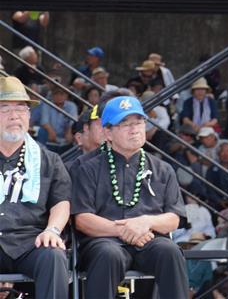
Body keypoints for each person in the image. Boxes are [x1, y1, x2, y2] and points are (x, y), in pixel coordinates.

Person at [72, 96, 190, 299]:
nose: (134, 129)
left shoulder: (162, 168)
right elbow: (82, 220)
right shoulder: (87, 168)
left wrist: (145, 222)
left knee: (170, 251)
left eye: (138, 122)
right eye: (124, 124)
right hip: (104, 240)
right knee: (108, 254)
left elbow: (174, 218)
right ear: (107, 132)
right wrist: (125, 229)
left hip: (150, 239)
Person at [0, 77, 71, 299]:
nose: (14, 116)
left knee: (54, 256)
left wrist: (52, 230)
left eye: (21, 109)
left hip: (30, 241)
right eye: (5, 109)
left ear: (29, 116)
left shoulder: (49, 159)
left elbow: (61, 202)